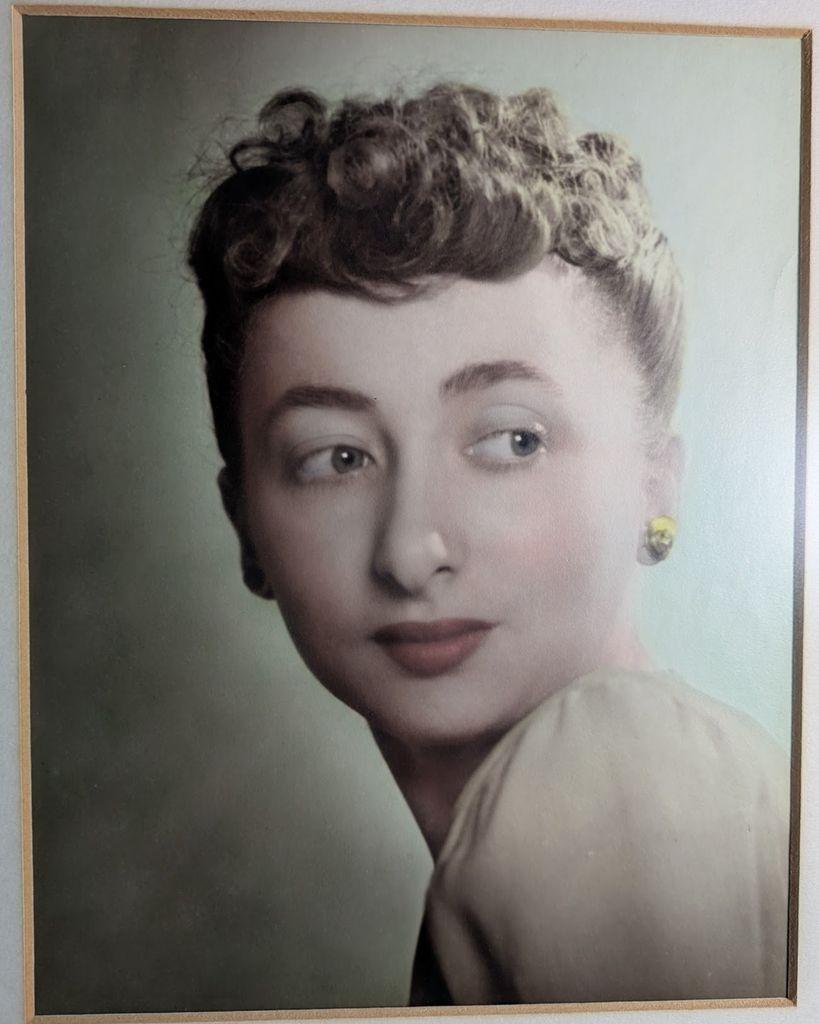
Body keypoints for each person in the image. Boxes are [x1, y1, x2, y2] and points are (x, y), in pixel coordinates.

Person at [188, 84, 790, 1006]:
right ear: (246, 525)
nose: (410, 551)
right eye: (337, 458)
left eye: (512, 440)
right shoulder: (576, 822)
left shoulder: (619, 773)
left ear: (654, 482)